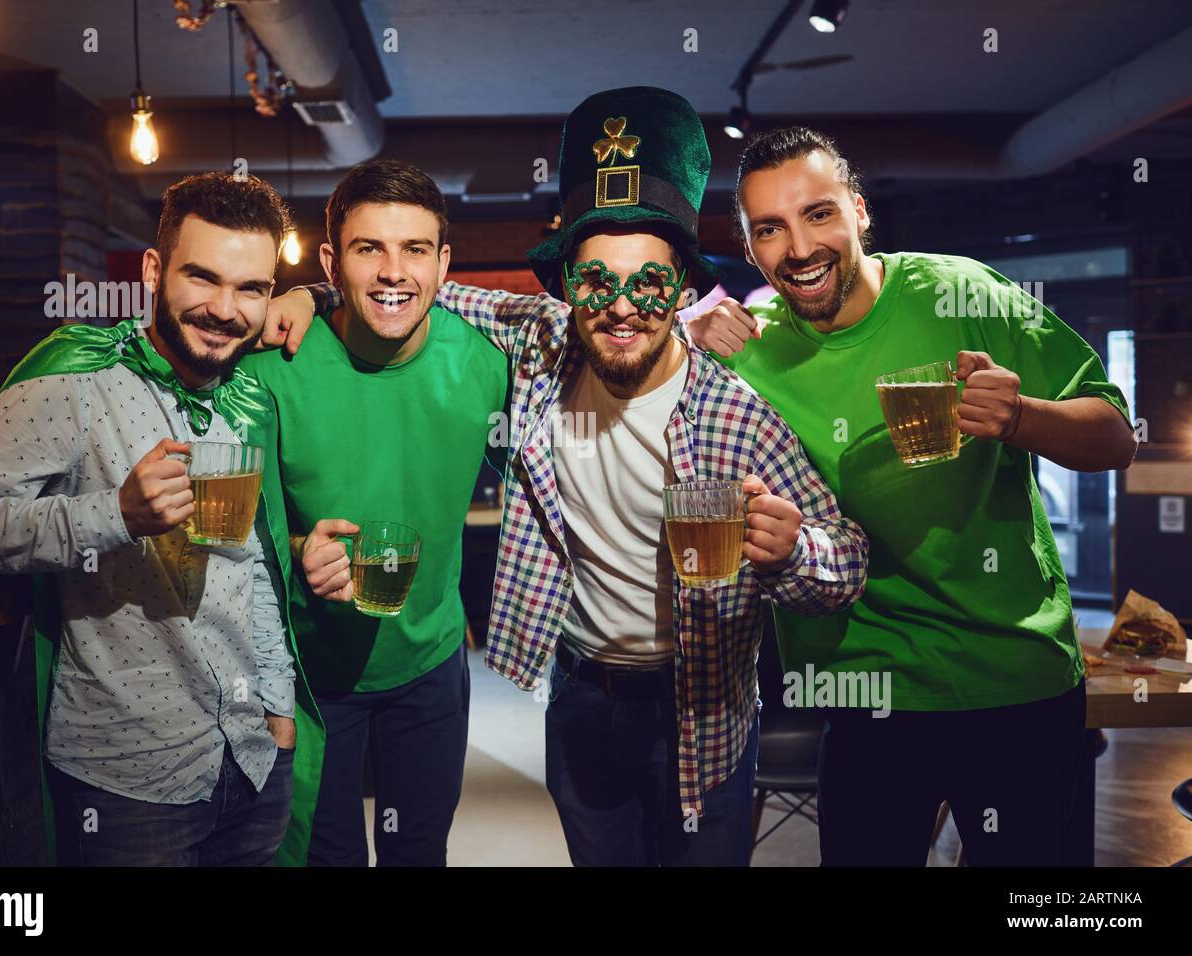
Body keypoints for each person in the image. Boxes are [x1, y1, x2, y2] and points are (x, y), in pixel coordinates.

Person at [272, 88, 868, 866]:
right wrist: (302, 294)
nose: (621, 308)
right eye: (596, 282)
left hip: (705, 707)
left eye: (649, 285)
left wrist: (795, 550)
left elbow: (846, 559)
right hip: (582, 697)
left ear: (682, 290)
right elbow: (404, 287)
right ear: (566, 290)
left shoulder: (738, 415)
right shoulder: (540, 347)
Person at [684, 126, 1137, 866]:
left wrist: (1023, 418)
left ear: (860, 211)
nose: (798, 248)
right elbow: (629, 365)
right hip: (861, 689)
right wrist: (684, 328)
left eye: (819, 213)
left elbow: (1117, 437)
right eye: (770, 229)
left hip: (1010, 677)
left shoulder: (961, 293)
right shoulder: (745, 347)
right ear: (748, 244)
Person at [0, 172, 308, 866]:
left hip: (249, 763)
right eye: (202, 278)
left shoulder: (249, 396)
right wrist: (111, 514)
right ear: (154, 269)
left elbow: (251, 564)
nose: (224, 308)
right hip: (128, 785)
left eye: (251, 288)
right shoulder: (78, 379)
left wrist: (278, 706)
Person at [245, 159, 509, 866]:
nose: (394, 272)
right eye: (369, 249)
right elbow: (230, 530)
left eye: (415, 249)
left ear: (444, 261)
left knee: (416, 854)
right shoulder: (273, 367)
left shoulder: (487, 363)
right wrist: (300, 549)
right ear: (332, 260)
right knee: (323, 859)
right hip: (313, 673)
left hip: (430, 664)